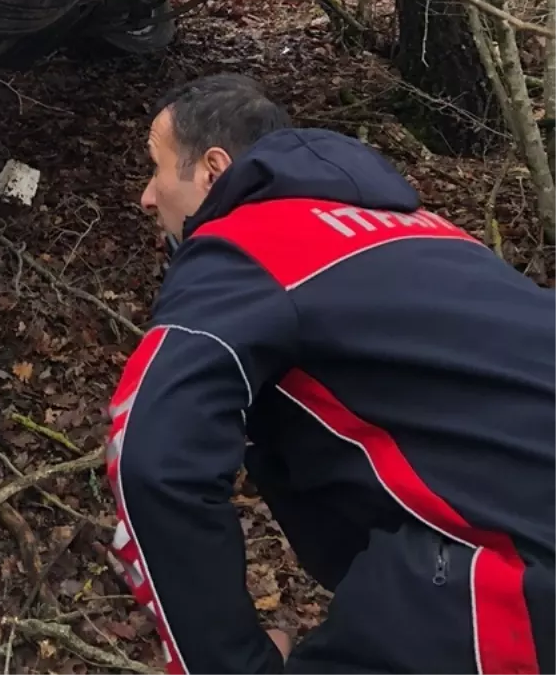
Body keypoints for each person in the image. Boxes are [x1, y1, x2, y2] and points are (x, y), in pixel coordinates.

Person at [107, 73, 556, 675]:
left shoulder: (243, 243)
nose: (146, 196)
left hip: (509, 572)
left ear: (213, 171)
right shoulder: (439, 235)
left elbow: (149, 453)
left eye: (156, 168)